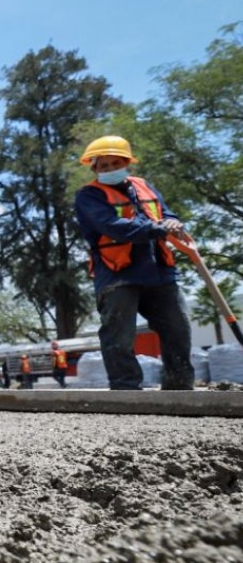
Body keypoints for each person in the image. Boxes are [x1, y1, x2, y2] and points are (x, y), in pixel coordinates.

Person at [73, 135, 193, 391]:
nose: (110, 169)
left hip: (159, 272)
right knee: (119, 336)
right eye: (103, 166)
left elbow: (164, 213)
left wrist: (172, 222)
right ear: (94, 168)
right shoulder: (88, 196)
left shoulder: (144, 187)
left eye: (116, 163)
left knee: (178, 330)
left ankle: (180, 387)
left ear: (127, 163)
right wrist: (156, 227)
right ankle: (126, 389)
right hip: (118, 275)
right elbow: (113, 226)